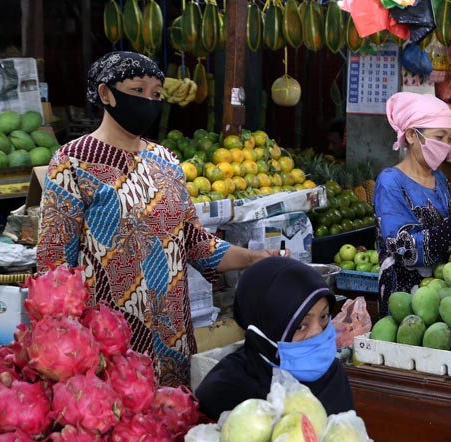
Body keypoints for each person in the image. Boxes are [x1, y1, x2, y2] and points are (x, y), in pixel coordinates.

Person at [36, 51, 284, 387]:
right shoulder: (71, 162)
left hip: (172, 338)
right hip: (107, 343)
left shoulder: (165, 161)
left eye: (155, 94)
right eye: (137, 90)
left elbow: (196, 244)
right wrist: (63, 344)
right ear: (106, 93)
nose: (148, 101)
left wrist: (255, 259)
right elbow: (54, 268)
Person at [374, 92, 451, 313]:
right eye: (439, 137)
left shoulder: (439, 179)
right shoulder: (390, 182)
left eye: (450, 139)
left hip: (446, 297)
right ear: (412, 135)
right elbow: (403, 249)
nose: (445, 145)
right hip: (405, 301)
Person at [196, 257, 354, 420]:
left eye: (324, 317)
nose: (318, 332)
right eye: (300, 326)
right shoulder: (224, 391)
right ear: (265, 330)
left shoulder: (331, 373)